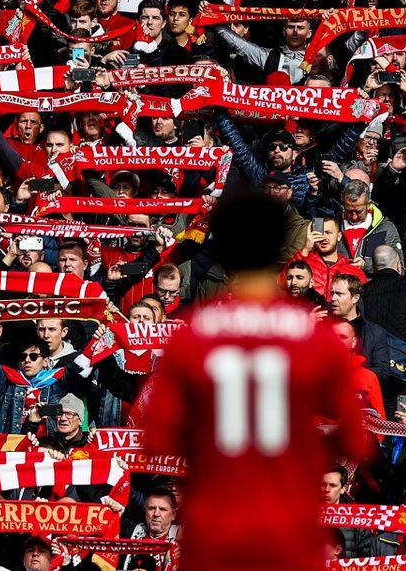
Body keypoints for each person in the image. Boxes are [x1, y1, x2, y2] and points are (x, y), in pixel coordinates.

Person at [145, 190, 370, 571]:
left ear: (226, 250)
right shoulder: (315, 338)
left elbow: (158, 439)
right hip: (289, 531)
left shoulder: (193, 337)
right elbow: (355, 439)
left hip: (214, 529)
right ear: (280, 249)